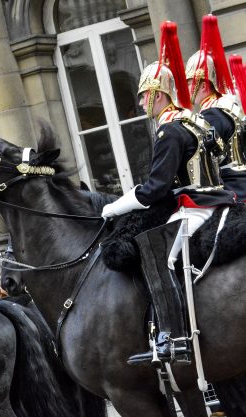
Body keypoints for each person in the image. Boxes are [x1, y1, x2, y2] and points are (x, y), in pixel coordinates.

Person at [101, 21, 236, 364]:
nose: (143, 101)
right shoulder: (193, 120)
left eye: (145, 95)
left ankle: (173, 337)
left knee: (161, 255)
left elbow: (154, 190)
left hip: (195, 204)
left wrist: (114, 207)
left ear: (158, 94)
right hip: (214, 197)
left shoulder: (170, 131)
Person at [186, 14, 246, 201]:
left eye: (189, 83)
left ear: (203, 85)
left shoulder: (211, 115)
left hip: (231, 187)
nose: (186, 88)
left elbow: (209, 157)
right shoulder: (230, 107)